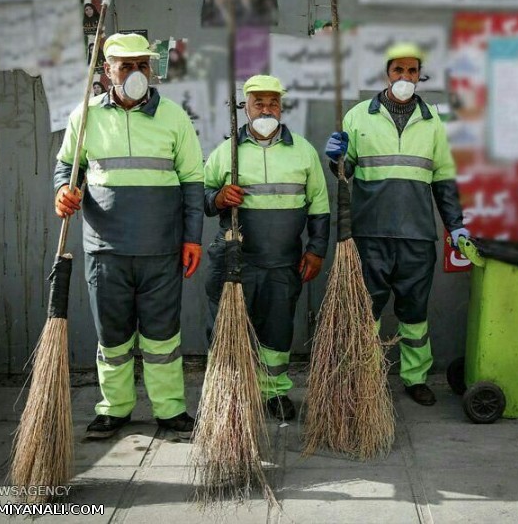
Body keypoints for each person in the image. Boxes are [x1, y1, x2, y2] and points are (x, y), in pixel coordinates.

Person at [53, 33, 204, 439]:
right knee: (113, 335)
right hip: (106, 250)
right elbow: (67, 168)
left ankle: (170, 410)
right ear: (107, 70)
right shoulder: (84, 116)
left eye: (143, 65)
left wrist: (192, 239)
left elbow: (192, 181)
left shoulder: (174, 117)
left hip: (161, 250)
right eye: (126, 66)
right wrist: (62, 193)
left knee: (162, 335)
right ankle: (114, 409)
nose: (136, 73)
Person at [324, 42, 468, 406]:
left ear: (420, 75)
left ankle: (415, 378)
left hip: (417, 236)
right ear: (387, 73)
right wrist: (336, 159)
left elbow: (444, 181)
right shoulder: (358, 116)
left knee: (414, 312)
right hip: (370, 233)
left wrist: (456, 225)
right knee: (367, 311)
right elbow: (346, 172)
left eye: (412, 71)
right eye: (398, 71)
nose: (405, 78)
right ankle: (366, 375)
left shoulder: (434, 122)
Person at [203, 74, 330, 421]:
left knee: (277, 330)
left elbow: (319, 205)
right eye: (259, 102)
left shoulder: (302, 151)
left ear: (282, 107)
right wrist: (218, 197)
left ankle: (274, 392)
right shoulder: (226, 152)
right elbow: (200, 199)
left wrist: (316, 249)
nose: (267, 108)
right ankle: (229, 391)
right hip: (235, 261)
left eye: (274, 102)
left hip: (282, 261)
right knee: (228, 328)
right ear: (246, 107)